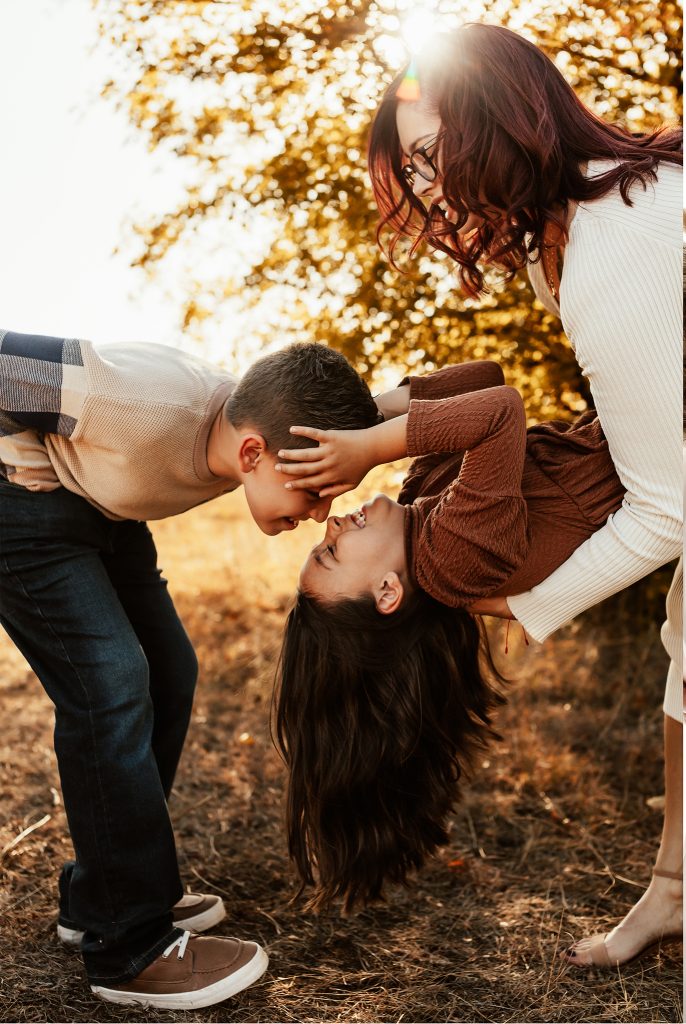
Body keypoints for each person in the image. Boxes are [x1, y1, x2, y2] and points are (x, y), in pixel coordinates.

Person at [364, 22, 683, 968]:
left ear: (503, 117)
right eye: (410, 174)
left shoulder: (611, 243)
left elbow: (669, 504)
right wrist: (365, 420)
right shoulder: (568, 235)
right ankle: (674, 890)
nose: (428, 192)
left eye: (431, 157)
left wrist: (528, 603)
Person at [0, 329, 379, 1009]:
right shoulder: (134, 403)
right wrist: (17, 451)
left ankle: (103, 894)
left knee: (171, 671)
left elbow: (423, 398)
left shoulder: (255, 426)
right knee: (111, 682)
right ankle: (127, 945)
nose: (321, 513)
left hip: (103, 514)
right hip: (21, 507)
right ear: (253, 453)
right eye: (316, 492)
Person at [273, 360, 628, 912]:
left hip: (638, 417)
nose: (331, 525)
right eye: (331, 553)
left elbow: (485, 378)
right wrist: (370, 446)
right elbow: (500, 410)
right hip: (662, 444)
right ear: (388, 592)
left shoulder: (422, 508)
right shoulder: (452, 561)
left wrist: (373, 411)